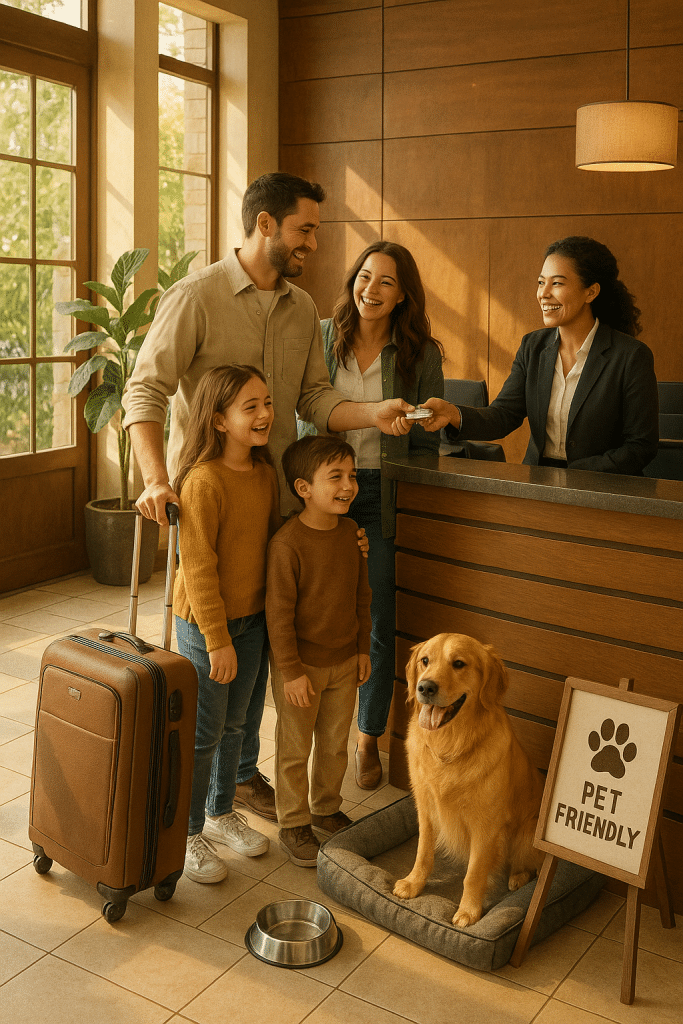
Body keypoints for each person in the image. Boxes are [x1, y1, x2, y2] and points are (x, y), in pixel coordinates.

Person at [123, 172, 413, 822]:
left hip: (277, 505)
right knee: (212, 652)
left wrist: (374, 414)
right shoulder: (195, 296)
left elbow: (314, 398)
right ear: (264, 225)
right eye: (304, 229)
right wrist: (155, 479)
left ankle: (236, 780)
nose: (313, 242)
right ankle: (191, 812)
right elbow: (144, 389)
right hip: (212, 509)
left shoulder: (301, 307)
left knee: (257, 651)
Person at [299, 241, 444, 789]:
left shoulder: (421, 354)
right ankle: (315, 736)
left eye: (386, 281)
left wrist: (413, 433)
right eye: (364, 276)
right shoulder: (320, 336)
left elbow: (427, 442)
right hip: (321, 490)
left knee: (379, 617)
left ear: (403, 294)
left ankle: (367, 738)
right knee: (316, 611)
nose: (371, 289)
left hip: (381, 492)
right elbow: (303, 408)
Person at [407, 236, 658, 476]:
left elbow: (640, 445)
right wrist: (453, 414)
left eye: (557, 283)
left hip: (603, 487)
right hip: (539, 482)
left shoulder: (631, 356)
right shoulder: (533, 347)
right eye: (541, 282)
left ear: (590, 292)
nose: (543, 293)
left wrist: (577, 476)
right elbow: (503, 415)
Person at [173, 364, 282, 883]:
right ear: (219, 420)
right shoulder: (203, 481)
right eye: (250, 407)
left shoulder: (265, 473)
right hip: (206, 627)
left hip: (252, 621)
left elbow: (273, 543)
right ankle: (188, 831)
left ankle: (220, 813)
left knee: (239, 725)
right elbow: (197, 569)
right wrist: (217, 641)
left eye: (267, 403)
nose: (264, 414)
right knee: (204, 734)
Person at [266, 436, 372, 867]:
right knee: (294, 748)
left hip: (345, 662)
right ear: (303, 488)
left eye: (352, 476)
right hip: (301, 668)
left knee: (334, 744)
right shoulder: (287, 544)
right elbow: (278, 616)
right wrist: (291, 672)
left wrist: (362, 649)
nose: (348, 485)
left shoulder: (352, 534)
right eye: (336, 477)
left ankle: (325, 809)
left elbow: (362, 596)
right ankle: (292, 822)